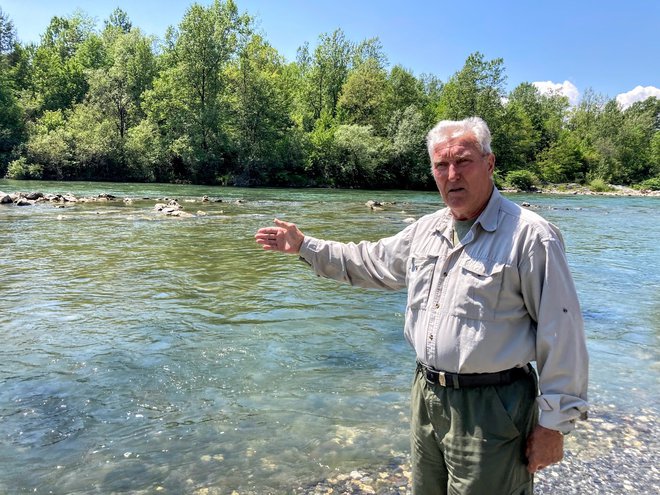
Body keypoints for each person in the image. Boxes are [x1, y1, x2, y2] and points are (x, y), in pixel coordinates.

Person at [255, 116, 588, 495]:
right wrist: (304, 246)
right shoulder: (427, 229)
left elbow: (562, 334)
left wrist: (554, 425)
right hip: (428, 394)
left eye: (462, 162)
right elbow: (369, 262)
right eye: (440, 165)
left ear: (490, 163)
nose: (451, 174)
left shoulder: (531, 237)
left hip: (494, 405)